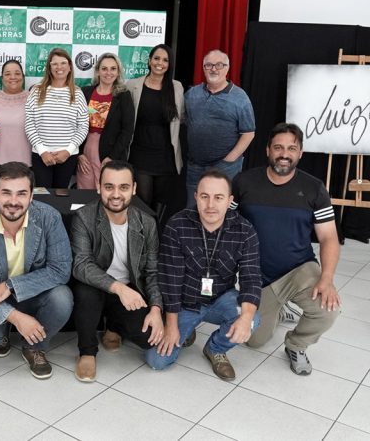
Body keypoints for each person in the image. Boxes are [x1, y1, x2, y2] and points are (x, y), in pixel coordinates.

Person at [232, 123, 341, 376]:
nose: (284, 154)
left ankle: (296, 345)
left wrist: (327, 279)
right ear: (268, 150)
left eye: (292, 148)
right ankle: (281, 309)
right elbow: (226, 225)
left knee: (328, 308)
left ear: (300, 153)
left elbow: (329, 238)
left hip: (299, 269)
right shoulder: (244, 182)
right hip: (258, 276)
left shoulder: (314, 188)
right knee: (254, 341)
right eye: (278, 147)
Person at [0, 162, 73, 379]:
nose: (13, 201)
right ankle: (4, 330)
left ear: (32, 195)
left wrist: (10, 286)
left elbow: (60, 270)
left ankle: (33, 346)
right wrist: (16, 317)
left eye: (21, 193)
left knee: (62, 298)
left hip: (33, 292)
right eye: (6, 193)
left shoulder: (49, 218)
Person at [145, 170, 261, 381]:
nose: (210, 205)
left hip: (220, 298)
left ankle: (215, 348)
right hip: (185, 302)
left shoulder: (245, 231)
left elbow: (251, 277)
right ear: (196, 196)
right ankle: (187, 330)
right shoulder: (177, 225)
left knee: (253, 319)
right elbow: (170, 280)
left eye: (218, 198)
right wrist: (171, 326)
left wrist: (245, 316)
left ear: (230, 201)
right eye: (205, 196)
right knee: (157, 361)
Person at [71, 160, 162, 382]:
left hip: (130, 289)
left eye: (123, 187)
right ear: (99, 186)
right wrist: (119, 288)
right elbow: (82, 265)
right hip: (96, 285)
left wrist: (157, 308)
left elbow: (152, 272)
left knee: (149, 337)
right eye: (109, 186)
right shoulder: (84, 217)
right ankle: (87, 352)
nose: (116, 194)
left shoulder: (147, 223)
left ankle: (113, 326)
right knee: (86, 292)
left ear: (134, 189)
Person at [184, 49, 255, 207]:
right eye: (208, 65)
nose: (213, 69)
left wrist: (228, 161)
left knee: (221, 210)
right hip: (195, 166)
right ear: (203, 68)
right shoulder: (192, 95)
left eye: (219, 65)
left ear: (227, 68)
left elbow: (249, 133)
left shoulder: (240, 98)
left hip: (226, 167)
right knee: (193, 209)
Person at [126, 44, 185, 220]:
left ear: (170, 64)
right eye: (157, 58)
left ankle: (155, 240)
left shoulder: (176, 87)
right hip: (140, 153)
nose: (160, 63)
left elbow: (181, 117)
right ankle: (142, 240)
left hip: (166, 156)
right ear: (149, 61)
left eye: (165, 60)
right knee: (143, 201)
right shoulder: (133, 85)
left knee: (160, 203)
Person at [25, 48, 89, 188]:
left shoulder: (77, 93)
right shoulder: (36, 91)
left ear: (70, 67)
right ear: (49, 67)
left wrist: (68, 151)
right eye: (54, 64)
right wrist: (42, 151)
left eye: (63, 63)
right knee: (43, 195)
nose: (59, 67)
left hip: (67, 156)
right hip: (41, 155)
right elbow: (29, 124)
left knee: (61, 195)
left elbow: (83, 126)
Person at [76, 53, 135, 189]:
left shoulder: (123, 95)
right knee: (84, 188)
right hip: (85, 148)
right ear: (98, 71)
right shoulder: (85, 92)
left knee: (104, 189)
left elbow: (127, 130)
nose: (109, 73)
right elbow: (73, 124)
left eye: (113, 69)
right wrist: (78, 154)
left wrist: (112, 157)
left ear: (118, 72)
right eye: (104, 69)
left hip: (110, 150)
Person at [0, 59, 32, 168]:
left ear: (23, 77)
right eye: (7, 74)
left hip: (28, 163)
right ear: (2, 78)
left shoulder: (33, 99)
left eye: (17, 73)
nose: (13, 77)